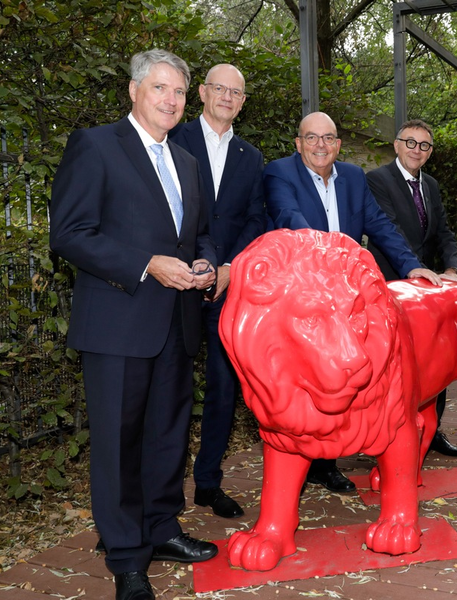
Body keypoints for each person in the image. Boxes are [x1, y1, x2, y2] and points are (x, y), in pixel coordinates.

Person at [50, 50, 219, 600]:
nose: (169, 100)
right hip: (117, 324)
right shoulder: (96, 146)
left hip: (177, 322)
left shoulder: (187, 162)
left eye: (177, 92)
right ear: (133, 90)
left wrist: (205, 263)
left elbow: (198, 235)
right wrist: (145, 264)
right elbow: (70, 233)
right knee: (119, 444)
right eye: (159, 89)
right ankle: (125, 556)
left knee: (168, 435)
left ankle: (162, 529)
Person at [265, 111, 444, 493]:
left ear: (338, 144)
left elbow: (379, 224)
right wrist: (331, 256)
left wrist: (412, 267)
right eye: (311, 138)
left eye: (328, 138)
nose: (320, 146)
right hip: (307, 297)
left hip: (346, 297)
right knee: (310, 379)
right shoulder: (280, 172)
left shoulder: (352, 177)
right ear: (298, 143)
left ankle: (326, 463)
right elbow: (288, 216)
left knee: (340, 374)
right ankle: (304, 458)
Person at [170, 64, 265, 520]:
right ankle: (163, 496)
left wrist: (230, 266)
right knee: (171, 389)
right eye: (220, 88)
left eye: (237, 92)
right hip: (176, 284)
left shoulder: (251, 155)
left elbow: (254, 219)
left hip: (229, 287)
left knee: (224, 388)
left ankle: (208, 482)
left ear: (243, 102)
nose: (227, 97)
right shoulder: (174, 138)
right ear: (203, 92)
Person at [366, 118, 457, 458]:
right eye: (410, 142)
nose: (416, 150)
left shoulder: (432, 186)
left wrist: (451, 268)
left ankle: (433, 430)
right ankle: (390, 436)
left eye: (424, 145)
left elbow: (444, 233)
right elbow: (389, 231)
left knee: (433, 358)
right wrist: (416, 269)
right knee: (394, 364)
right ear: (396, 145)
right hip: (393, 285)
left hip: (427, 290)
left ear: (430, 152)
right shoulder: (377, 180)